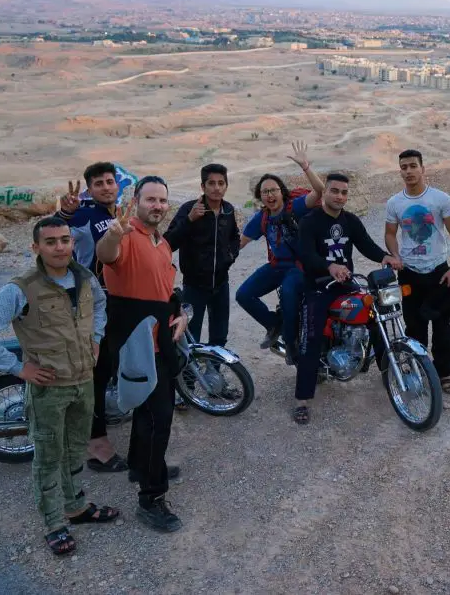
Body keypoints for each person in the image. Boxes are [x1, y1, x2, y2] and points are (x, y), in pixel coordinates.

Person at [0, 216, 120, 556]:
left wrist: (96, 337)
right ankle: (54, 523)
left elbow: (101, 305)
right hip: (49, 389)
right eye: (50, 241)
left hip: (83, 382)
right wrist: (18, 369)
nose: (60, 246)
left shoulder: (84, 277)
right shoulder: (20, 288)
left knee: (75, 449)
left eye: (65, 239)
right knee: (48, 457)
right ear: (36, 247)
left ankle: (75, 506)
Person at [97, 176, 188, 533]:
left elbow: (165, 292)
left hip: (160, 344)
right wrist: (114, 233)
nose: (157, 205)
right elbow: (106, 256)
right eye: (150, 199)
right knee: (158, 419)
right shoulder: (126, 237)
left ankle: (141, 466)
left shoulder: (161, 242)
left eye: (162, 200)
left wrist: (180, 313)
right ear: (136, 201)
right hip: (137, 346)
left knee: (149, 414)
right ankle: (151, 497)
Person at [294, 173, 401, 424]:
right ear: (325, 193)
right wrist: (329, 267)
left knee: (376, 318)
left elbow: (366, 245)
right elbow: (307, 255)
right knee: (312, 337)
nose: (340, 196)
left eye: (344, 192)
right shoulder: (309, 222)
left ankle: (390, 374)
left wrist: (385, 257)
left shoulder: (350, 220)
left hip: (346, 284)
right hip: (318, 287)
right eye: (334, 191)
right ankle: (302, 399)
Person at [55, 162, 126, 473]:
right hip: (92, 304)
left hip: (114, 302)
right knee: (95, 372)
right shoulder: (84, 215)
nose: (106, 187)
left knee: (111, 364)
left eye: (110, 181)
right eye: (99, 183)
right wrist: (65, 215)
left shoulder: (115, 214)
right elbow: (52, 235)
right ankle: (95, 442)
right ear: (90, 189)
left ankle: (101, 417)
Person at [236, 141, 324, 363]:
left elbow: (319, 191)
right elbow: (239, 243)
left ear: (282, 192)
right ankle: (273, 324)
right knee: (243, 294)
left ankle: (291, 341)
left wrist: (305, 167)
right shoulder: (261, 218)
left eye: (273, 190)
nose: (269, 195)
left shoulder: (296, 207)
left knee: (288, 291)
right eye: (265, 192)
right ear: (261, 196)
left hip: (298, 266)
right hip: (276, 266)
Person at [385, 149, 450, 394]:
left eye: (412, 166)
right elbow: (390, 233)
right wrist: (395, 255)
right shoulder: (394, 203)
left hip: (438, 271)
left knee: (441, 326)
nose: (408, 171)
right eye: (404, 167)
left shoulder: (440, 199)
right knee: (414, 325)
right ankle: (417, 368)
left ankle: (444, 374)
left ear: (422, 168)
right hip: (409, 272)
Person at [164, 163, 240, 347]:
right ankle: (190, 375)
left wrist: (230, 256)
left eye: (221, 183)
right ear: (203, 186)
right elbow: (168, 243)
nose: (216, 188)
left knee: (220, 333)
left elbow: (234, 237)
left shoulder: (228, 210)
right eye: (211, 183)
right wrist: (189, 220)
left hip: (221, 283)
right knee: (190, 334)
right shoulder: (189, 209)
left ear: (226, 186)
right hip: (194, 285)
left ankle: (213, 372)